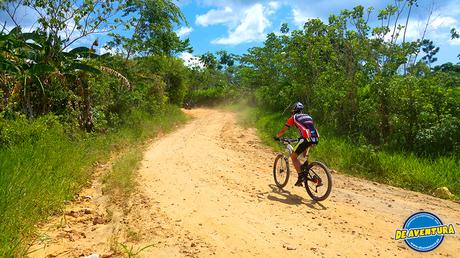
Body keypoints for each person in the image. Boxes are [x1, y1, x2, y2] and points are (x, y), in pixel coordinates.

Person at [274, 102, 319, 186]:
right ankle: (306, 169)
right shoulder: (308, 116)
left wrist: (276, 137)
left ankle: (301, 176)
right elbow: (313, 128)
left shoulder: (293, 117)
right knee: (304, 154)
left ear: (294, 110)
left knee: (293, 156)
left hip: (306, 138)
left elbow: (283, 130)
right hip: (315, 137)